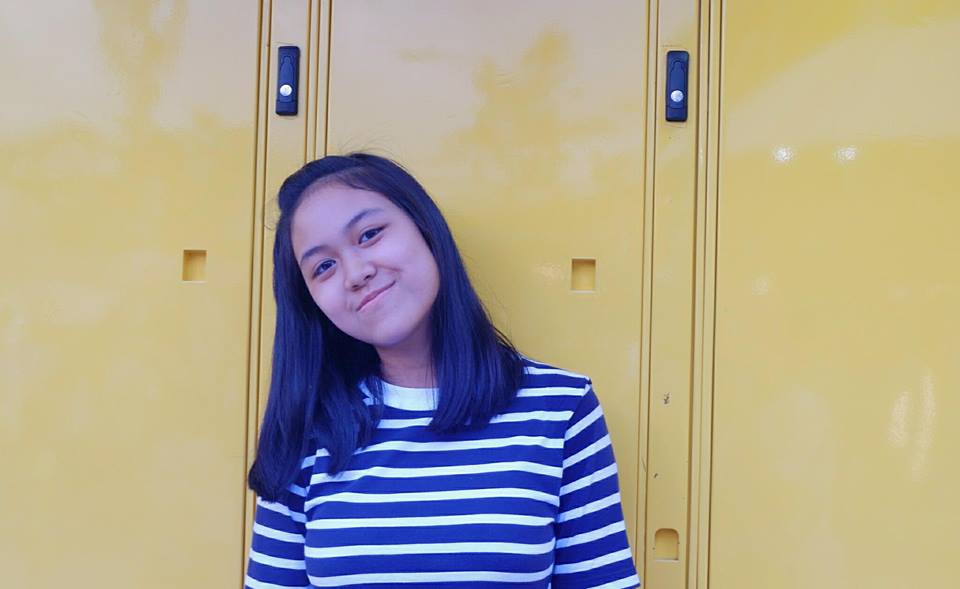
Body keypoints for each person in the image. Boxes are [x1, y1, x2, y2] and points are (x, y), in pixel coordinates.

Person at [244, 153, 641, 589]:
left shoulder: (561, 410)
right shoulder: (305, 432)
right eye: (323, 267)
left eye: (370, 234)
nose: (355, 273)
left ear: (425, 228)